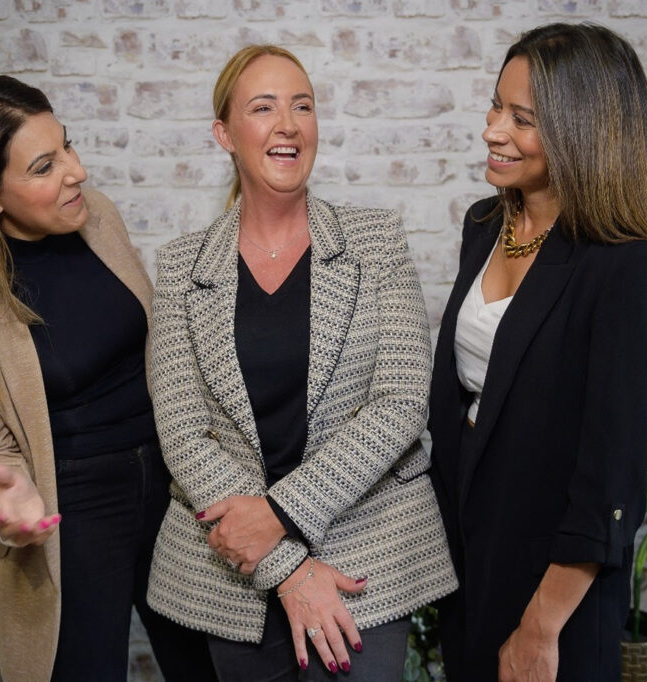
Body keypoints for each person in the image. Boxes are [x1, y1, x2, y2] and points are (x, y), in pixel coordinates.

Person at [0, 74, 215, 682]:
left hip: (174, 493)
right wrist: (3, 496)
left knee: (213, 667)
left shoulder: (97, 221)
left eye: (68, 145)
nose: (76, 171)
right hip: (72, 519)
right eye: (44, 165)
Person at [144, 45, 458, 681]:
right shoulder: (181, 266)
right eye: (263, 108)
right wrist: (282, 563)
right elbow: (182, 431)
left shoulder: (376, 241)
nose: (288, 124)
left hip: (363, 559)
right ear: (225, 134)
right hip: (235, 576)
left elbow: (401, 403)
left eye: (302, 106)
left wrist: (279, 515)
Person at [428, 23, 647, 681]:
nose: (493, 129)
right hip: (470, 549)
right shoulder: (487, 225)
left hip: (553, 583)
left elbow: (610, 479)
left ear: (586, 130)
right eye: (497, 105)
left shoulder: (632, 269)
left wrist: (540, 626)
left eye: (522, 119)